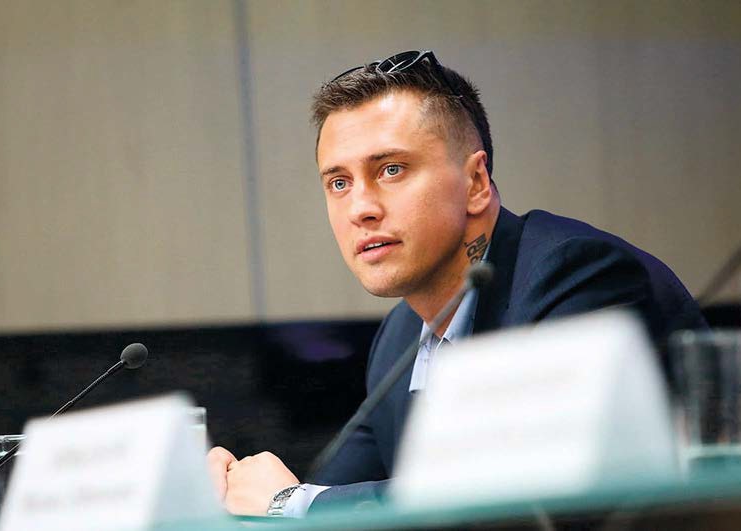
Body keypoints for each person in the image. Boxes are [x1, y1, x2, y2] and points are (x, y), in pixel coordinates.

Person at [207, 50, 707, 517]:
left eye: (391, 169)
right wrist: (228, 492)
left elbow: (522, 498)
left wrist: (290, 503)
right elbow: (338, 492)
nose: (360, 208)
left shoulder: (575, 276)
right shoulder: (400, 337)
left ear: (476, 183)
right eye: (339, 183)